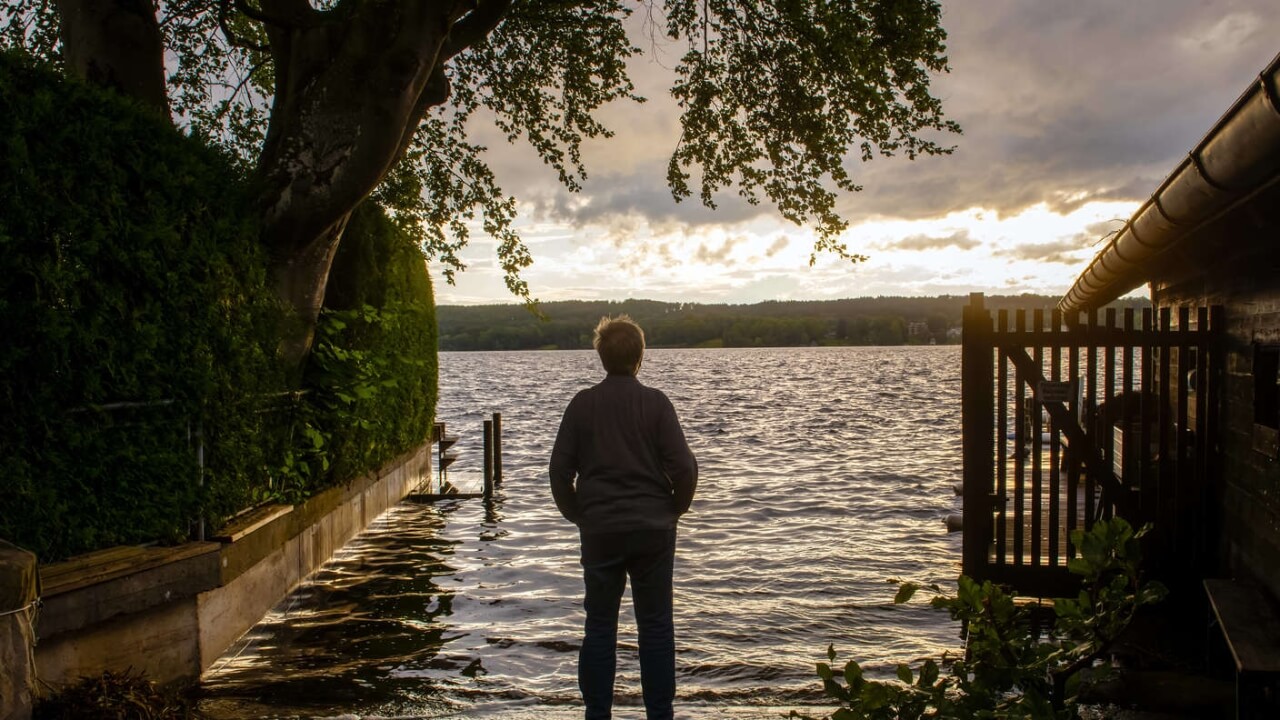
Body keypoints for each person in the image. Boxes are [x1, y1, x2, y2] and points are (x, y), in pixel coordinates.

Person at [550, 315, 698, 720]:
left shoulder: (582, 405)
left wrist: (579, 515)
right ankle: (660, 714)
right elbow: (684, 469)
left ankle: (597, 714)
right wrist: (673, 509)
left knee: (599, 626)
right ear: (640, 357)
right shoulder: (656, 403)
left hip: (600, 530)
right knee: (655, 627)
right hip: (653, 530)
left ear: (601, 357)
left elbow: (558, 472)